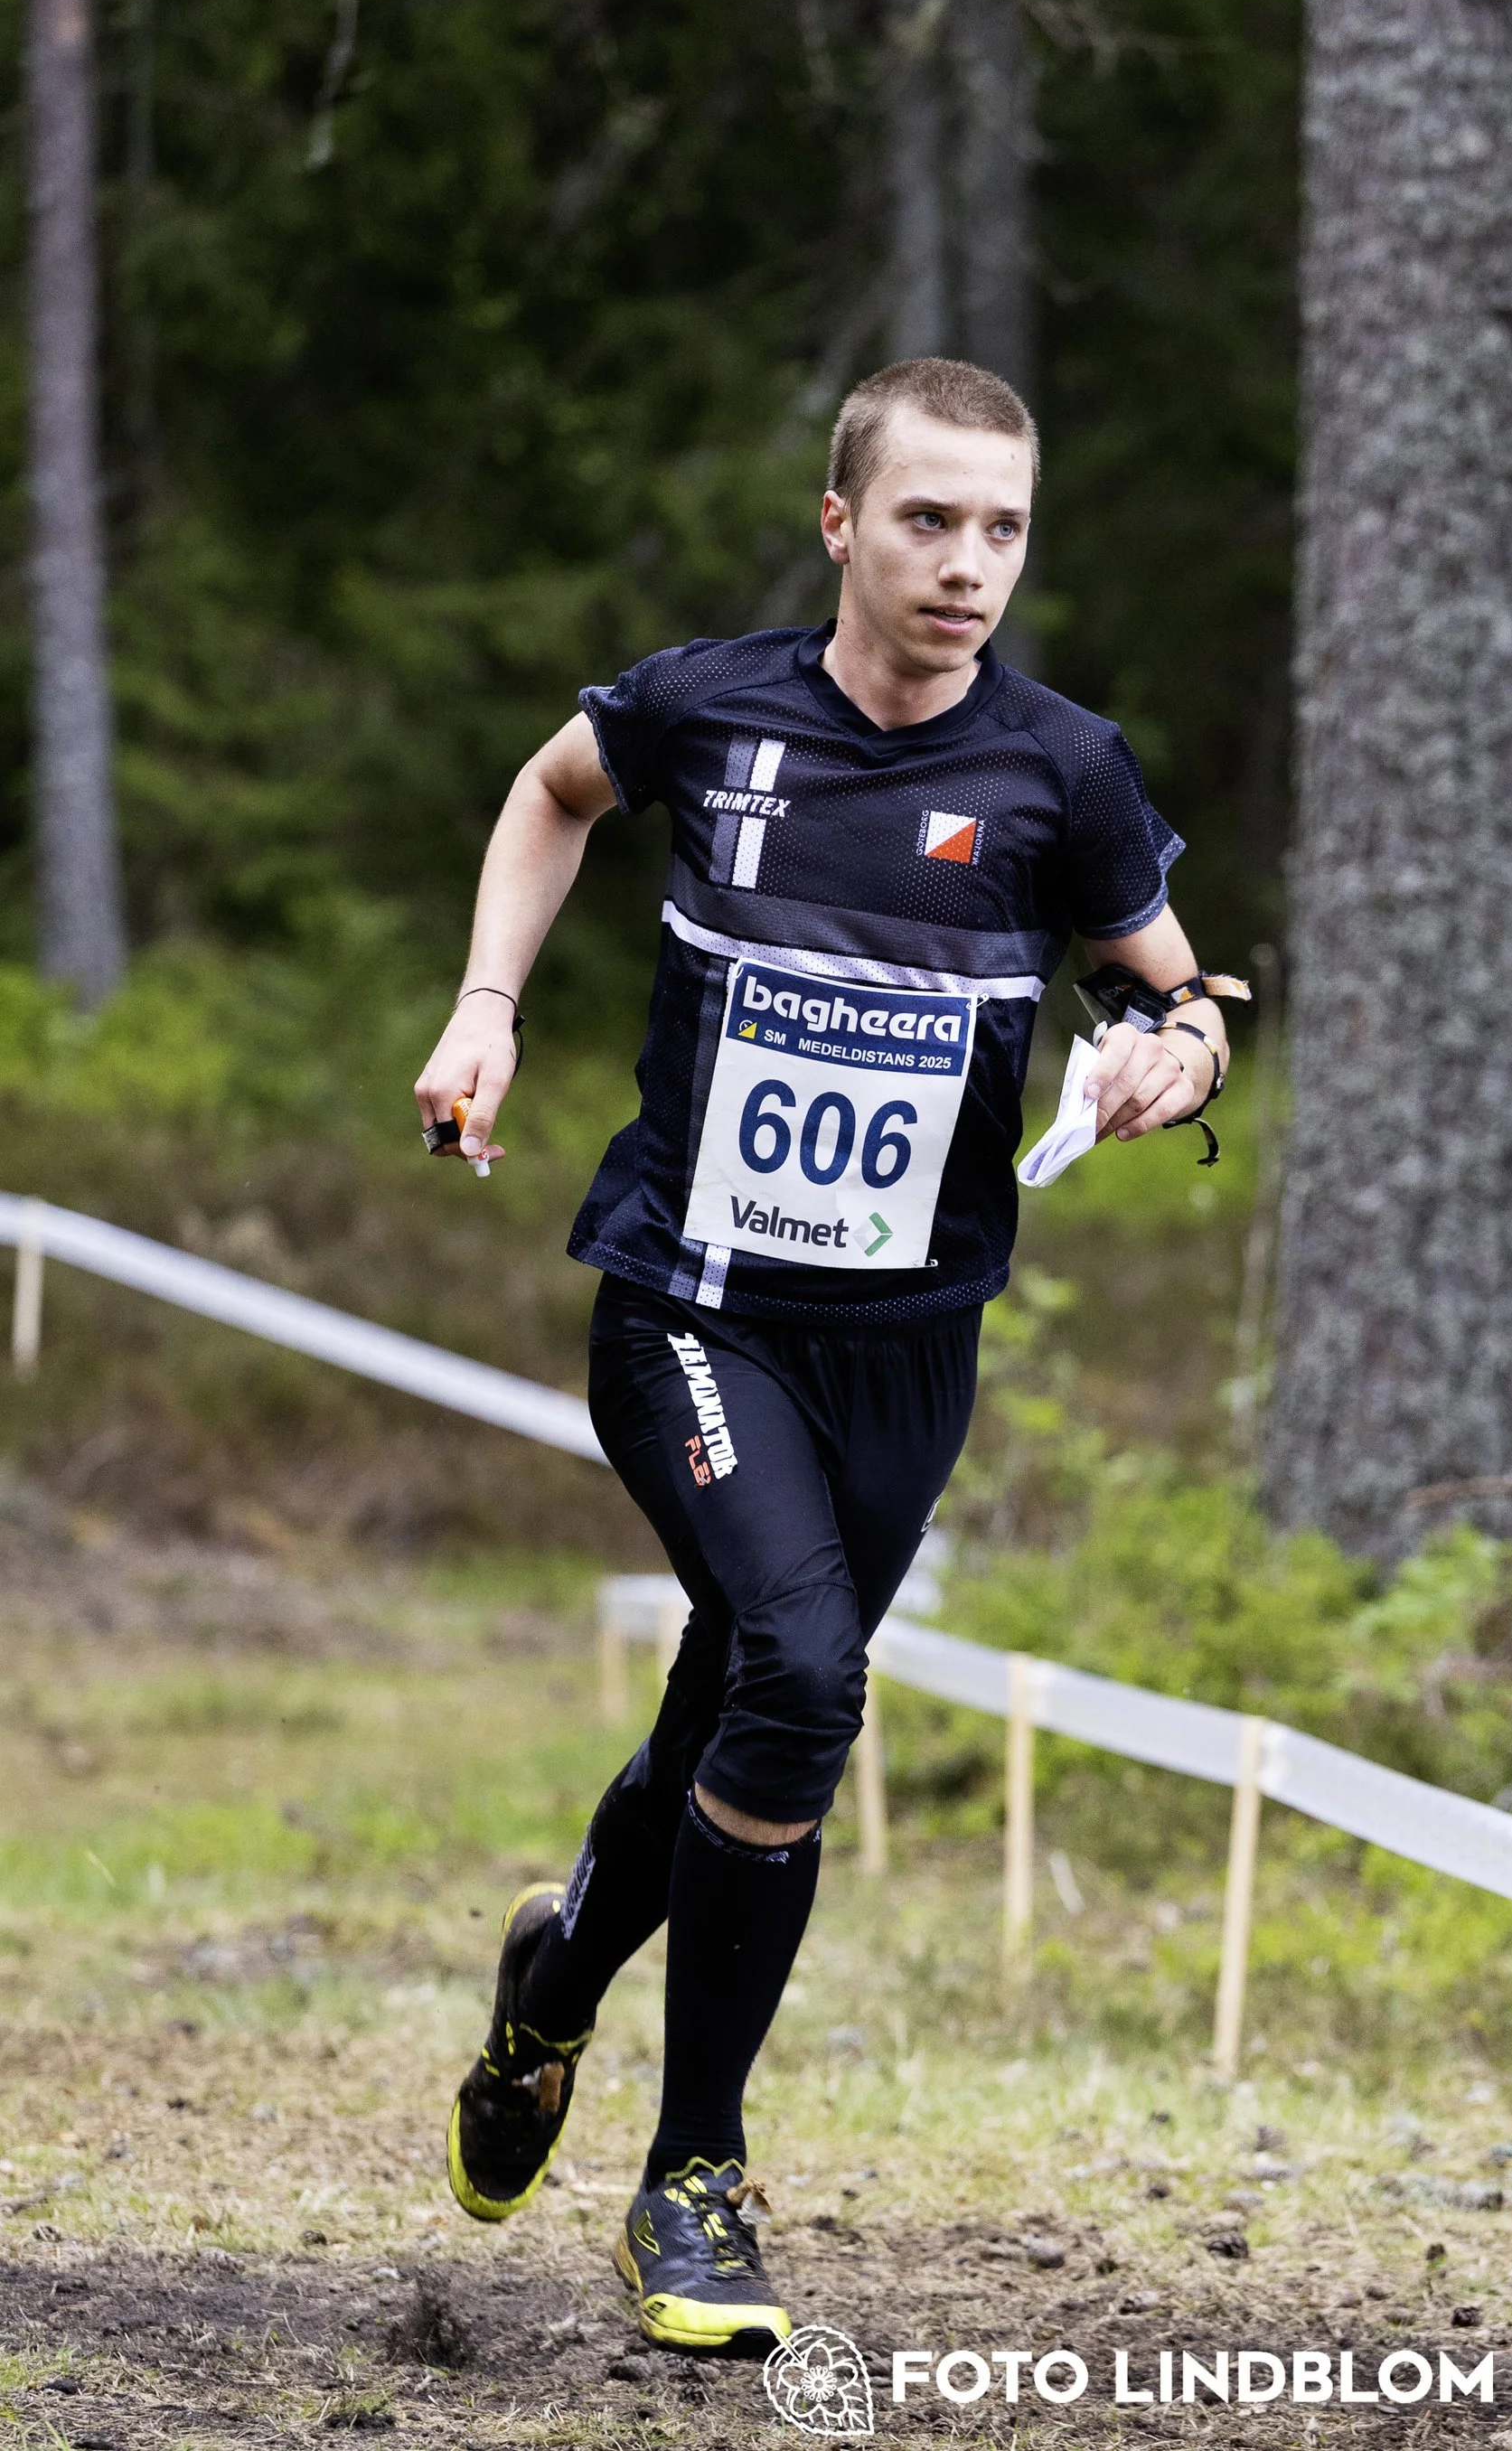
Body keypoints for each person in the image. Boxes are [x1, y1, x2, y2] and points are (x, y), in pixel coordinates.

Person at [414, 356, 1236, 2353]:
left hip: (907, 1343)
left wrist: (1172, 1051)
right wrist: (485, 1005)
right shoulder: (708, 705)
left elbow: (1189, 978)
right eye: (930, 518)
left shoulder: (1062, 771)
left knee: (742, 1695)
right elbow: (548, 791)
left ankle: (556, 1973)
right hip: (688, 1302)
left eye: (1006, 527)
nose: (969, 565)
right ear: (841, 523)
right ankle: (694, 2174)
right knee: (803, 1668)